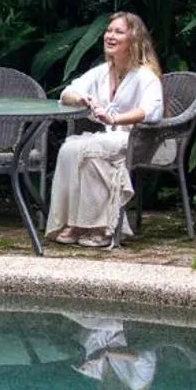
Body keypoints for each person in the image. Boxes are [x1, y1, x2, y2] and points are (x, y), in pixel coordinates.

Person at [46, 12, 164, 246]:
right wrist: (81, 99)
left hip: (137, 140)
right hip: (106, 138)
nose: (110, 36)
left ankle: (100, 227)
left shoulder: (145, 75)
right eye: (109, 31)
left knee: (89, 150)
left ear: (134, 39)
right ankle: (73, 224)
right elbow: (67, 92)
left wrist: (114, 119)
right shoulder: (101, 71)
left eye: (118, 32)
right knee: (69, 148)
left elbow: (150, 111)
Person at [62, 311, 159, 390]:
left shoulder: (91, 370)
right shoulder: (137, 382)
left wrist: (72, 354)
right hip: (125, 318)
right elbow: (144, 357)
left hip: (94, 317)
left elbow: (81, 338)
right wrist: (107, 352)